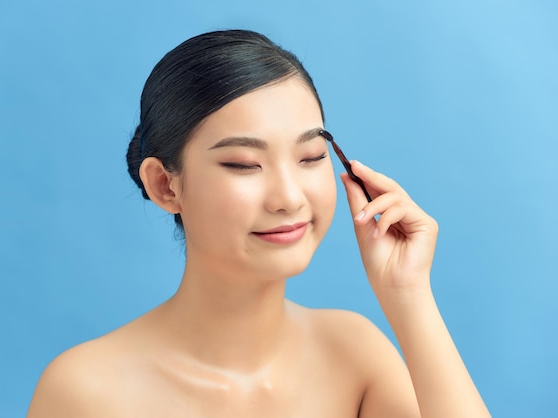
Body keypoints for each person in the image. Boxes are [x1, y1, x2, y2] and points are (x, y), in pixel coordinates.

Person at [27, 30, 490, 417]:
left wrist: (408, 294)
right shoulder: (84, 392)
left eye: (310, 157)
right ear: (166, 187)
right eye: (245, 164)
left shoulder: (355, 353)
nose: (289, 198)